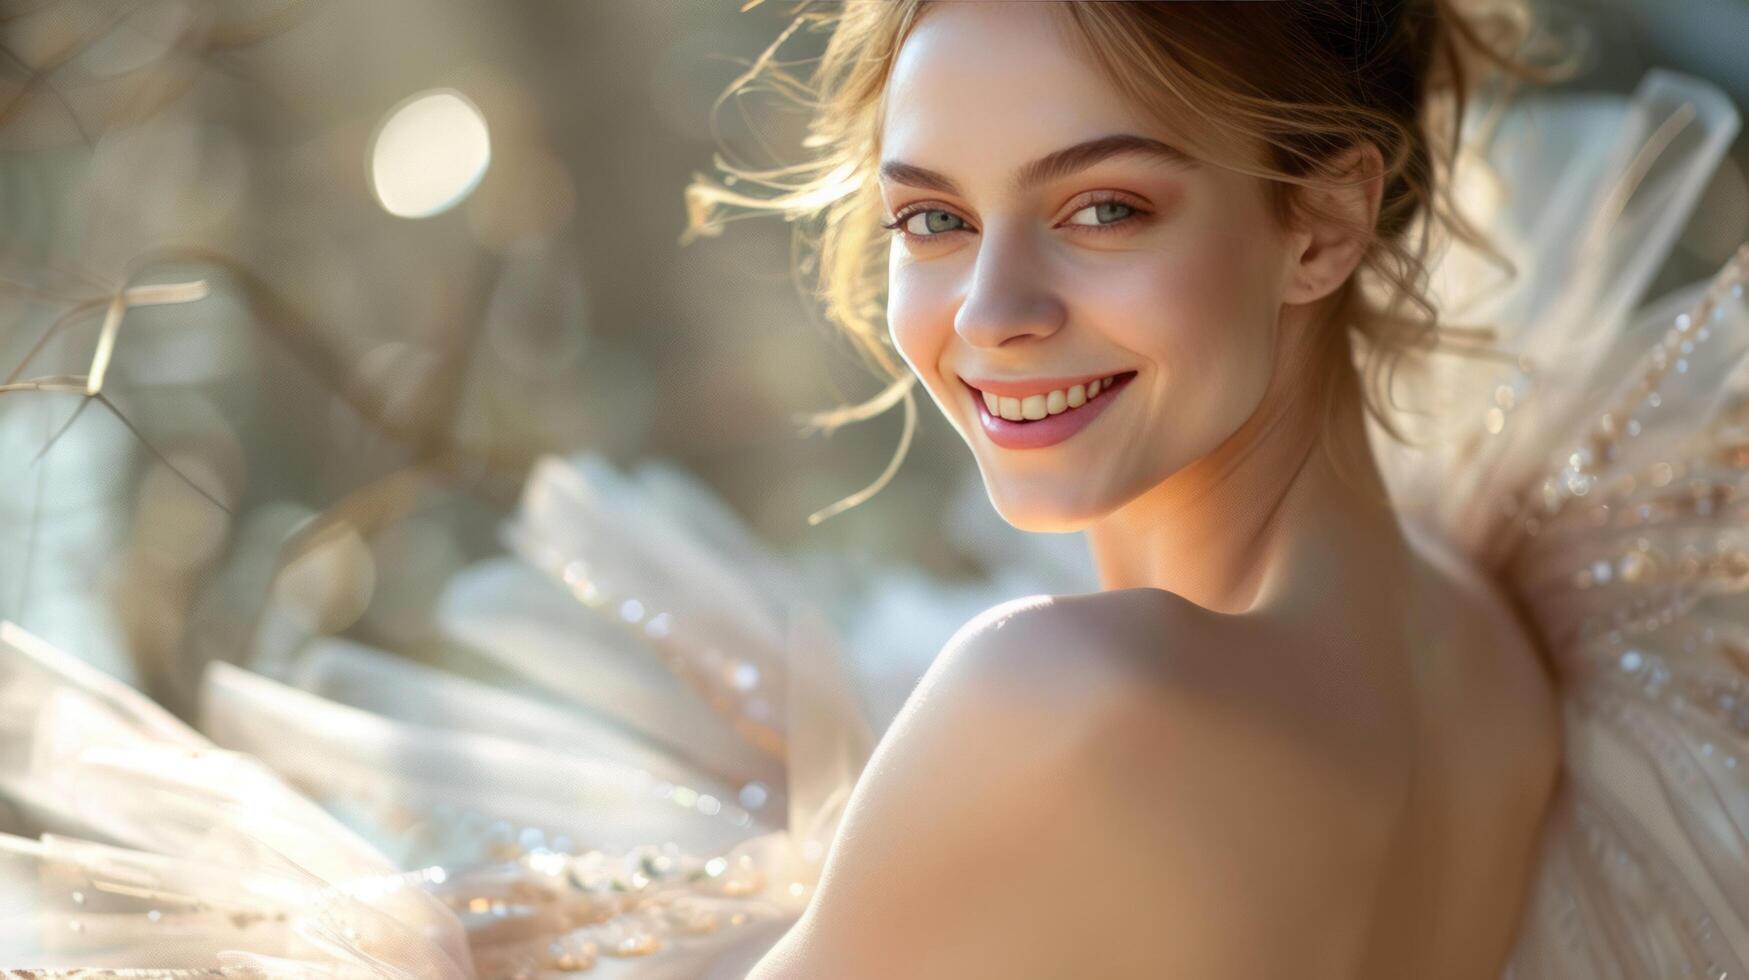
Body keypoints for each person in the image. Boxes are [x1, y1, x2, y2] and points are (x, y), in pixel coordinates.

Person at [1, 1, 1746, 978]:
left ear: (1322, 219)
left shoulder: (1078, 702)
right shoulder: (1496, 634)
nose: (990, 317)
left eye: (1101, 208)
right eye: (930, 218)